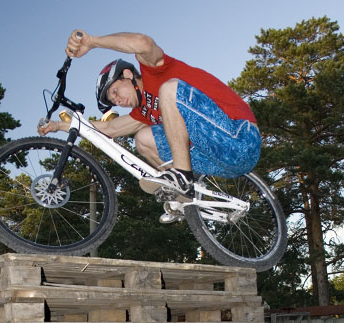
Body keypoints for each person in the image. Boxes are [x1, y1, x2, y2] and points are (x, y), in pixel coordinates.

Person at [38, 30, 261, 220]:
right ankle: (185, 196)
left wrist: (92, 42)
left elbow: (143, 43)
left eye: (115, 91)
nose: (118, 101)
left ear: (127, 74)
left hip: (239, 138)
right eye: (113, 101)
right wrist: (59, 126)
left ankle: (181, 177)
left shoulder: (156, 70)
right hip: (214, 160)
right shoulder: (142, 114)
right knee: (143, 138)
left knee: (169, 89)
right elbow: (109, 129)